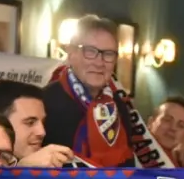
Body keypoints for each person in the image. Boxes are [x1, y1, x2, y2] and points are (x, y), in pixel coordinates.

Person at [41, 14, 138, 167]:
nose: (99, 62)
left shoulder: (119, 106)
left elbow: (128, 167)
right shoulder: (44, 102)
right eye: (90, 51)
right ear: (71, 53)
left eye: (108, 54)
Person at [0, 80, 73, 167]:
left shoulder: (51, 170)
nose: (42, 132)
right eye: (30, 122)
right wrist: (21, 170)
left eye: (43, 122)